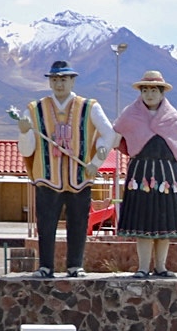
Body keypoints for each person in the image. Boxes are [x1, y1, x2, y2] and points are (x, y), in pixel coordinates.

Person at [11, 59, 115, 277]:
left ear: (72, 81)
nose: (60, 84)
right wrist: (23, 132)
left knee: (78, 223)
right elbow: (27, 150)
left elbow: (109, 134)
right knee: (46, 224)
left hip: (80, 176)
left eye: (64, 79)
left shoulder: (89, 107)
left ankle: (75, 265)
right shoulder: (35, 109)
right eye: (56, 79)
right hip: (47, 177)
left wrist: (96, 161)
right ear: (50, 82)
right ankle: (45, 266)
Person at [108, 70, 177, 278]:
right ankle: (142, 267)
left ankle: (161, 266)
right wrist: (101, 149)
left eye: (153, 90)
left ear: (162, 93)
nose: (149, 94)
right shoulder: (129, 115)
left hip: (169, 175)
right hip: (141, 174)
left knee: (164, 224)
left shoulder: (173, 117)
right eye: (145, 90)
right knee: (143, 223)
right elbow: (115, 136)